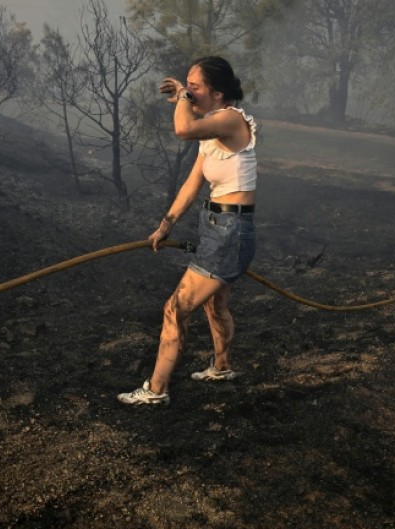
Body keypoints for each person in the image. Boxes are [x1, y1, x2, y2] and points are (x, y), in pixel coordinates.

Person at [118, 56, 258, 406]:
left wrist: (181, 97)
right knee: (215, 303)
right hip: (217, 227)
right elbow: (192, 185)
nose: (189, 91)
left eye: (196, 86)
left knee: (174, 309)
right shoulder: (213, 129)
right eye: (188, 85)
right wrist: (165, 226)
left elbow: (181, 129)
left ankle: (155, 390)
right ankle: (222, 367)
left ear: (217, 92)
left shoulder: (230, 119)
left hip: (230, 232)